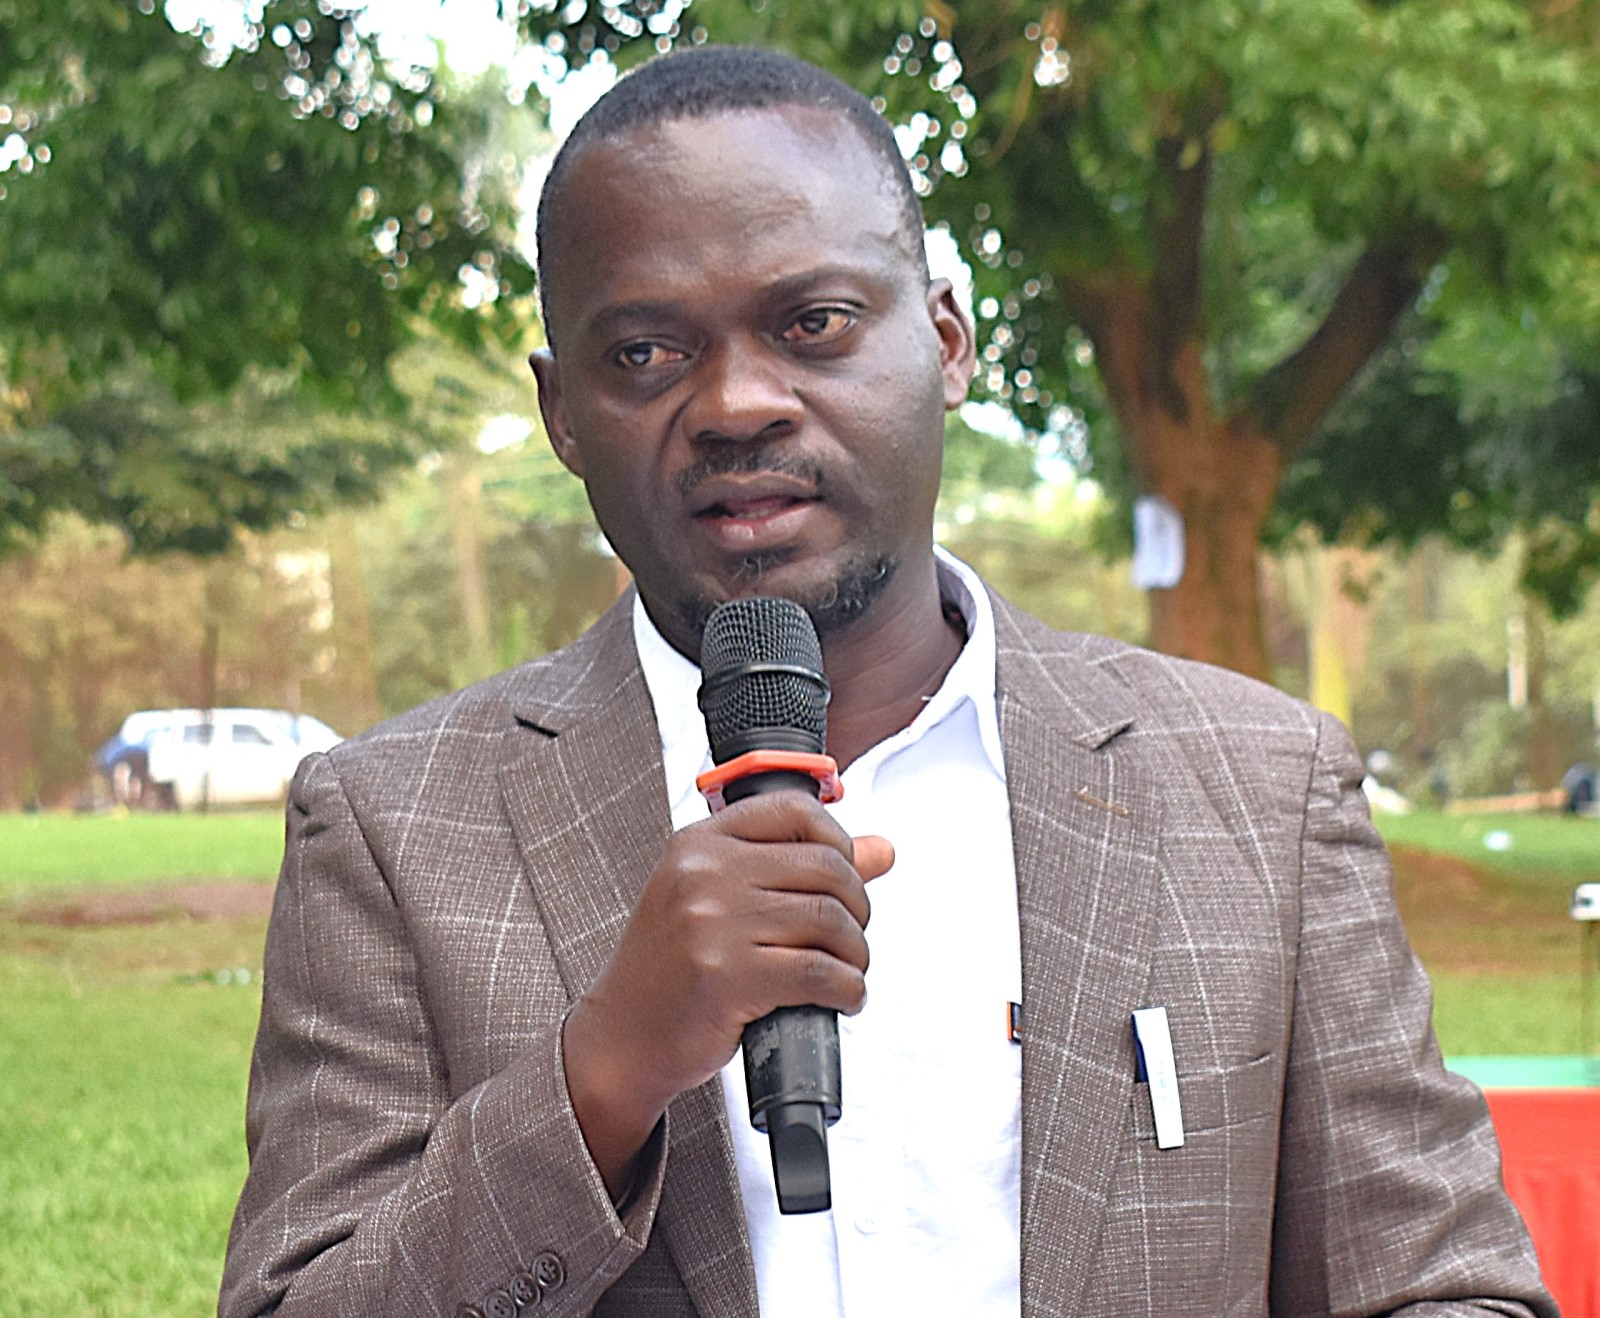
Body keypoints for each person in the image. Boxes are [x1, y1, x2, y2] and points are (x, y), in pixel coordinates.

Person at [220, 46, 1555, 1318]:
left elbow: (1446, 1281)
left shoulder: (1258, 790)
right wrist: (603, 1072)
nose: (740, 402)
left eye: (813, 321)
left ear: (948, 339)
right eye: (644, 353)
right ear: (561, 408)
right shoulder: (392, 827)